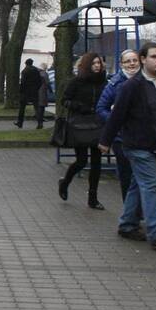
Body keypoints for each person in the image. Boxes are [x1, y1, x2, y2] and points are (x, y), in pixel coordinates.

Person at [99, 42, 156, 249]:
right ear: (144, 59)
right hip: (138, 144)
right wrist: (106, 141)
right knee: (151, 185)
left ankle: (127, 223)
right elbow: (117, 115)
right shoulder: (131, 86)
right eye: (153, 56)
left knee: (136, 184)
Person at [58, 53, 107, 209]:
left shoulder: (104, 82)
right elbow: (65, 100)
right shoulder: (76, 82)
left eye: (99, 63)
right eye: (93, 63)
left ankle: (93, 197)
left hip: (98, 124)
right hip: (80, 125)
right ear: (86, 65)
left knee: (97, 162)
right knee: (81, 161)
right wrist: (80, 107)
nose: (97, 66)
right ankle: (65, 182)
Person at [97, 49, 141, 201]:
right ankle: (131, 209)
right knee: (127, 175)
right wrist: (116, 121)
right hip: (121, 138)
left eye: (134, 60)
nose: (132, 64)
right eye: (127, 61)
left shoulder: (147, 80)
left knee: (143, 175)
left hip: (144, 137)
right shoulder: (115, 84)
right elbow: (101, 108)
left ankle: (139, 208)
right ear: (121, 64)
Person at [15, 58, 44, 129]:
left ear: (26, 63)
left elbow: (23, 83)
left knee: (22, 108)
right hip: (34, 92)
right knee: (37, 108)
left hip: (25, 92)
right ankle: (40, 123)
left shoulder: (24, 71)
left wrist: (21, 91)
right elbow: (40, 81)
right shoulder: (36, 71)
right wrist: (37, 88)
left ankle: (20, 122)